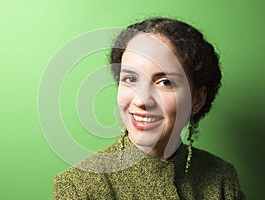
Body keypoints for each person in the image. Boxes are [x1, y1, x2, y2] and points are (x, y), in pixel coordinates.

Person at [53, 17, 245, 199]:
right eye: (130, 79)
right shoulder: (78, 186)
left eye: (165, 82)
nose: (142, 100)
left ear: (197, 99)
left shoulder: (223, 178)